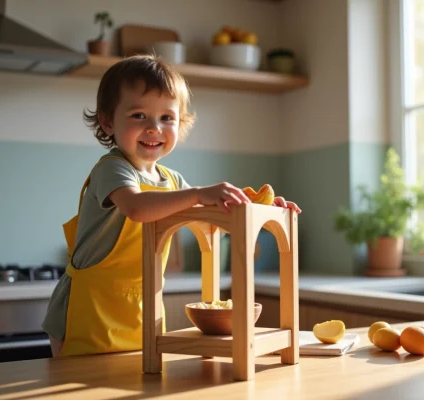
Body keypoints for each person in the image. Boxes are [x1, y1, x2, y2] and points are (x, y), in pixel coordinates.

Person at [41, 54, 302, 358]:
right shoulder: (113, 168)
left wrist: (263, 208)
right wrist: (198, 194)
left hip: (141, 307)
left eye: (167, 118)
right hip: (88, 308)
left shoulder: (172, 180)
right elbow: (137, 207)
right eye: (139, 115)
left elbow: (212, 223)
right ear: (108, 121)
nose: (154, 128)